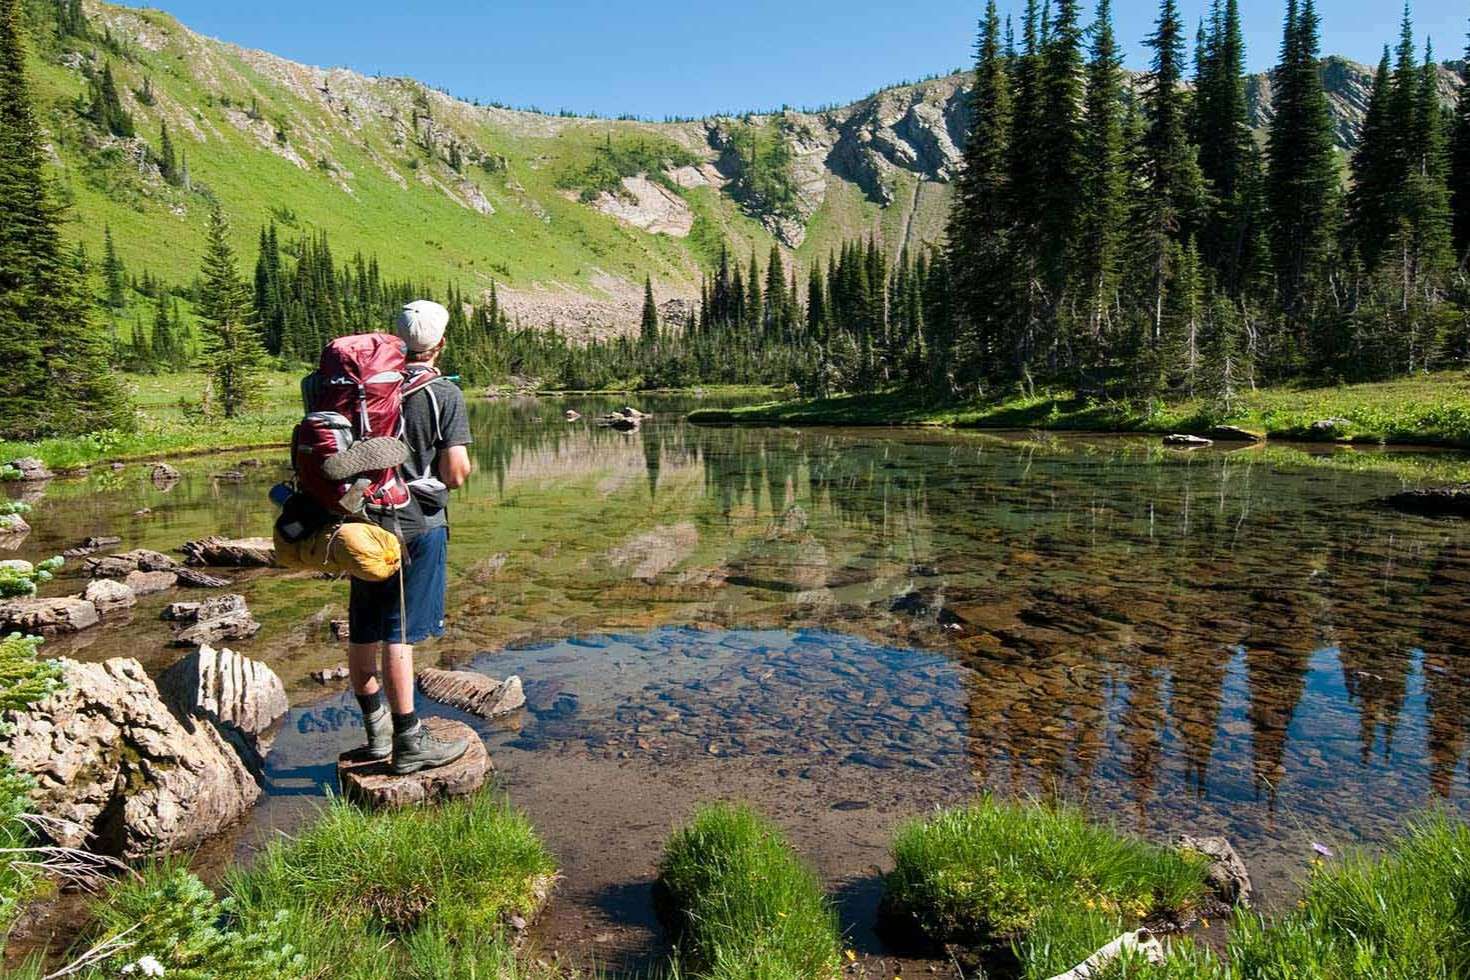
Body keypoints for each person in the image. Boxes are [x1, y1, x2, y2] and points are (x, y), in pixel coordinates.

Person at [348, 300, 475, 774]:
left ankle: (375, 731)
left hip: (362, 525)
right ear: (440, 345)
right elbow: (456, 473)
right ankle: (408, 741)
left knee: (365, 624)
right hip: (416, 525)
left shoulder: (366, 389)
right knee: (400, 635)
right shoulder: (443, 394)